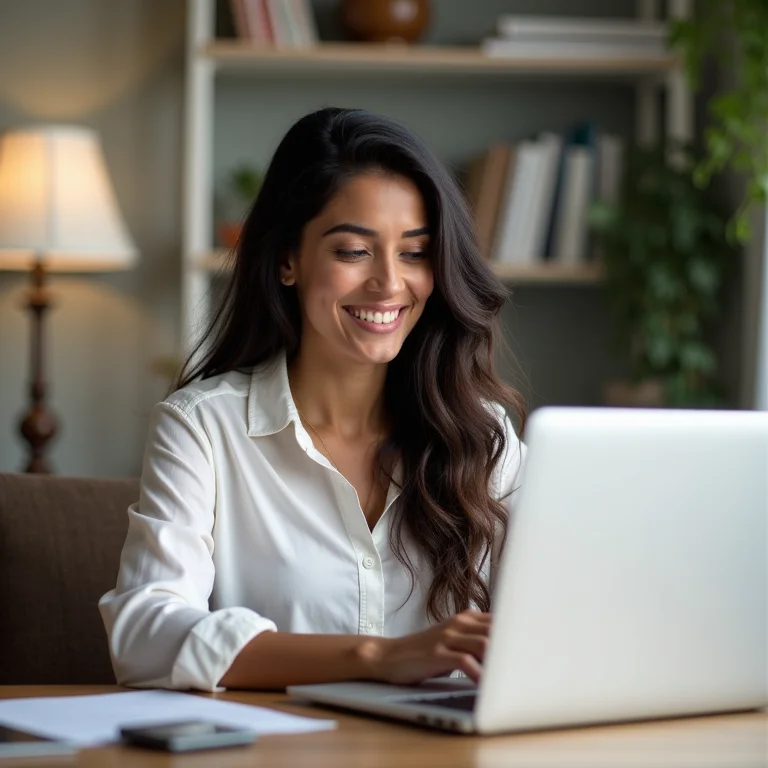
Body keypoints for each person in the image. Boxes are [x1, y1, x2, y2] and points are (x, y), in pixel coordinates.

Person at [99, 107, 526, 692]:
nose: (390, 283)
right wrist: (376, 656)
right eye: (354, 251)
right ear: (287, 260)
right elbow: (145, 635)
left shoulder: (485, 436)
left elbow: (557, 621)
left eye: (415, 252)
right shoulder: (203, 428)